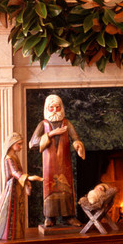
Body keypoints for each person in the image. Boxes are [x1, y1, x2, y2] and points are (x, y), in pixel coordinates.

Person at [29, 94, 85, 228]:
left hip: (64, 161)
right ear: (47, 108)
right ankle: (50, 217)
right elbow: (33, 143)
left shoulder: (67, 123)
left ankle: (69, 216)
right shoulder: (43, 124)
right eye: (51, 107)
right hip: (50, 163)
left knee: (67, 187)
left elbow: (75, 137)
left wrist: (77, 144)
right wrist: (52, 134)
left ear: (61, 108)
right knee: (50, 187)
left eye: (57, 107)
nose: (55, 110)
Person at [0, 133, 40, 240]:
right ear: (12, 144)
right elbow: (15, 172)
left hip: (17, 187)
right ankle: (8, 233)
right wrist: (29, 178)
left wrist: (26, 183)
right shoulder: (8, 158)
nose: (20, 147)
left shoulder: (14, 157)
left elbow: (19, 172)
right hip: (11, 189)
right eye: (19, 144)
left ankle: (16, 232)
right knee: (9, 211)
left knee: (17, 211)